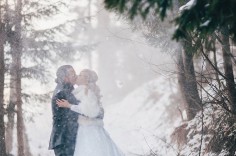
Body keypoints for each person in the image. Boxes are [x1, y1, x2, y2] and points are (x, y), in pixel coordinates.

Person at [57, 69, 125, 156]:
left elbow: (88, 111)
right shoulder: (81, 91)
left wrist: (69, 105)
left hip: (89, 129)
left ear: (86, 80)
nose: (77, 75)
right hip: (85, 127)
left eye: (81, 75)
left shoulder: (87, 92)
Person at [48, 65, 79, 156]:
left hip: (65, 139)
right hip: (65, 140)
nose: (75, 75)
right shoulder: (62, 93)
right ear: (65, 78)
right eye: (72, 73)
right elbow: (74, 113)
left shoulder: (67, 89)